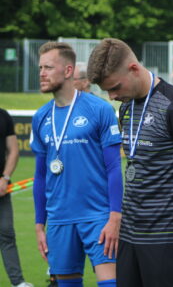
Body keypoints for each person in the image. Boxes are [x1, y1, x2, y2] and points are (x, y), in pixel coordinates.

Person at [87, 38, 173, 287]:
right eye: (107, 91)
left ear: (133, 69)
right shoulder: (126, 108)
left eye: (115, 87)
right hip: (130, 236)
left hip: (168, 237)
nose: (112, 96)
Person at [30, 42, 122, 287]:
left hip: (98, 217)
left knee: (110, 283)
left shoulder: (99, 109)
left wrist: (115, 218)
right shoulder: (40, 117)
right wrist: (40, 225)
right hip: (59, 220)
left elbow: (114, 168)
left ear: (68, 71)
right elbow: (40, 176)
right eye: (40, 67)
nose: (41, 73)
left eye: (48, 67)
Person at [0, 108, 32, 287]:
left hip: (2, 189)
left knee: (6, 234)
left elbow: (13, 150)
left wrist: (4, 178)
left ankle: (17, 282)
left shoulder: (3, 116)